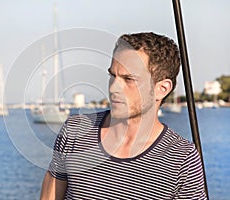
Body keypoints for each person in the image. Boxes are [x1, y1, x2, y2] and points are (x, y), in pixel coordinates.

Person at [40, 32, 207, 199]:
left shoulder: (182, 160)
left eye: (128, 79)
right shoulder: (75, 131)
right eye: (113, 75)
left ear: (161, 89)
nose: (114, 87)